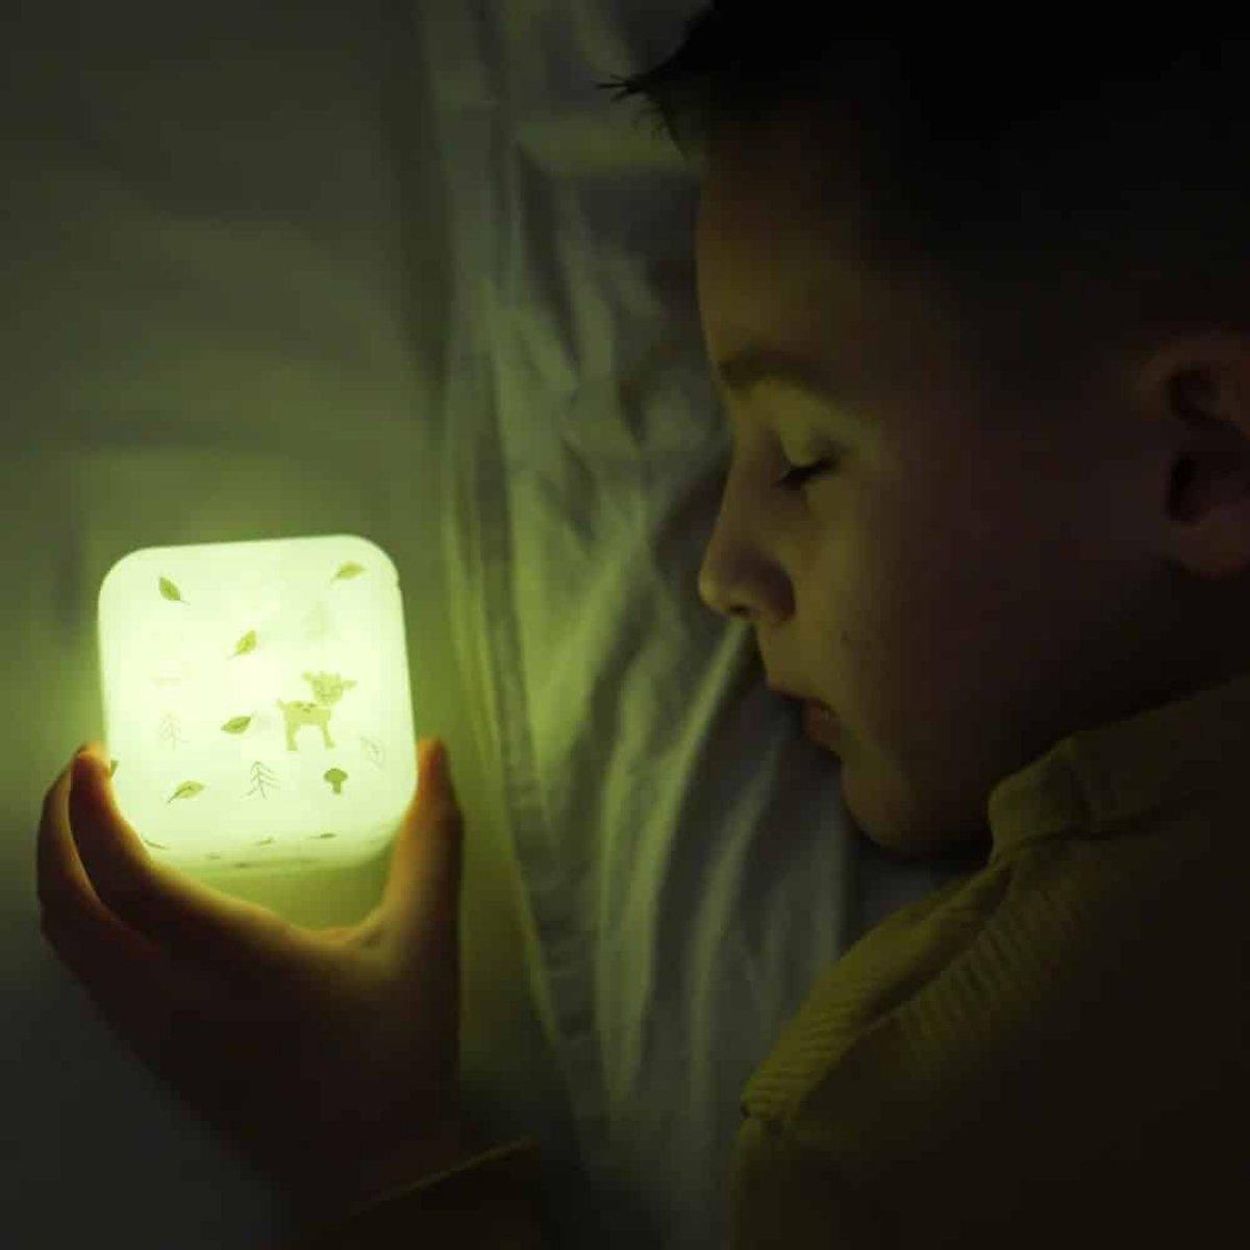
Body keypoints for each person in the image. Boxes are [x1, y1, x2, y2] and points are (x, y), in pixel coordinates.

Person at [36, 13, 1250, 1247]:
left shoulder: (911, 1134)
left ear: (1201, 465)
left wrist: (380, 1154)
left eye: (803, 457)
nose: (720, 572)